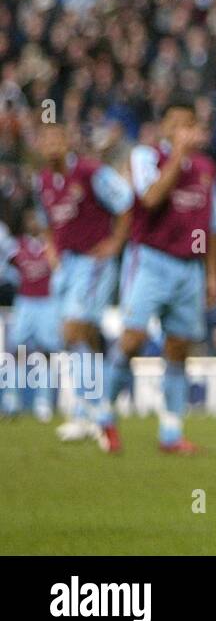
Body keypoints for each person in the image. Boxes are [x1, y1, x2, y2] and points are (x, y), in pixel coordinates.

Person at [96, 98, 216, 454]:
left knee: (179, 347)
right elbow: (151, 199)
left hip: (190, 267)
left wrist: (212, 274)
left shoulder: (206, 168)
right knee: (133, 339)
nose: (186, 130)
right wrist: (176, 158)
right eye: (178, 124)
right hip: (150, 260)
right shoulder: (145, 157)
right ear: (165, 128)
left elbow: (214, 226)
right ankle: (105, 414)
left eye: (191, 124)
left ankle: (171, 432)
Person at [33, 122, 133, 442]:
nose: (51, 145)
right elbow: (47, 222)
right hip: (67, 266)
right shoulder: (43, 181)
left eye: (56, 138)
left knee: (73, 329)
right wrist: (51, 252)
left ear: (67, 141)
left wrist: (116, 243)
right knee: (80, 337)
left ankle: (99, 411)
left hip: (93, 261)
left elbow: (126, 201)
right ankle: (85, 411)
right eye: (45, 139)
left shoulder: (91, 172)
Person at [1, 209, 60, 421]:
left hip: (47, 302)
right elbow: (8, 268)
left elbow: (59, 269)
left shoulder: (52, 246)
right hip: (25, 301)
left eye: (36, 218)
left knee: (47, 354)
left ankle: (43, 401)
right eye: (30, 218)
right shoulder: (17, 247)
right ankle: (11, 399)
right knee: (16, 352)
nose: (33, 222)